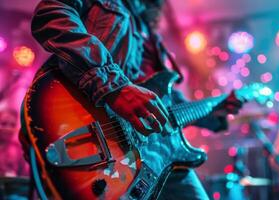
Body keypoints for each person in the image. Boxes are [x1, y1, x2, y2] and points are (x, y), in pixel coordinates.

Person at [20, 0, 243, 199]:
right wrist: (116, 88)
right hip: (94, 133)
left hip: (159, 155)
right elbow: (52, 13)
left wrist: (214, 111)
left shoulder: (151, 34)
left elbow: (167, 105)